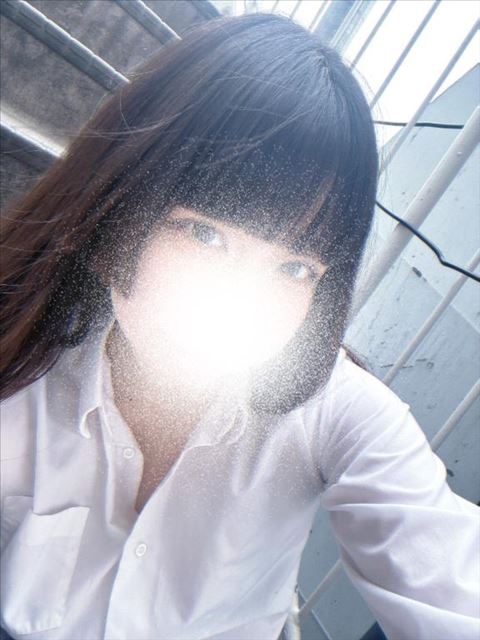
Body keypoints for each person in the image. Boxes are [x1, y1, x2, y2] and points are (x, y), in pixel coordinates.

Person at [0, 12, 478, 640]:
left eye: (295, 268)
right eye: (204, 234)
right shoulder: (24, 350)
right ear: (118, 210)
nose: (243, 300)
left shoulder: (336, 410)